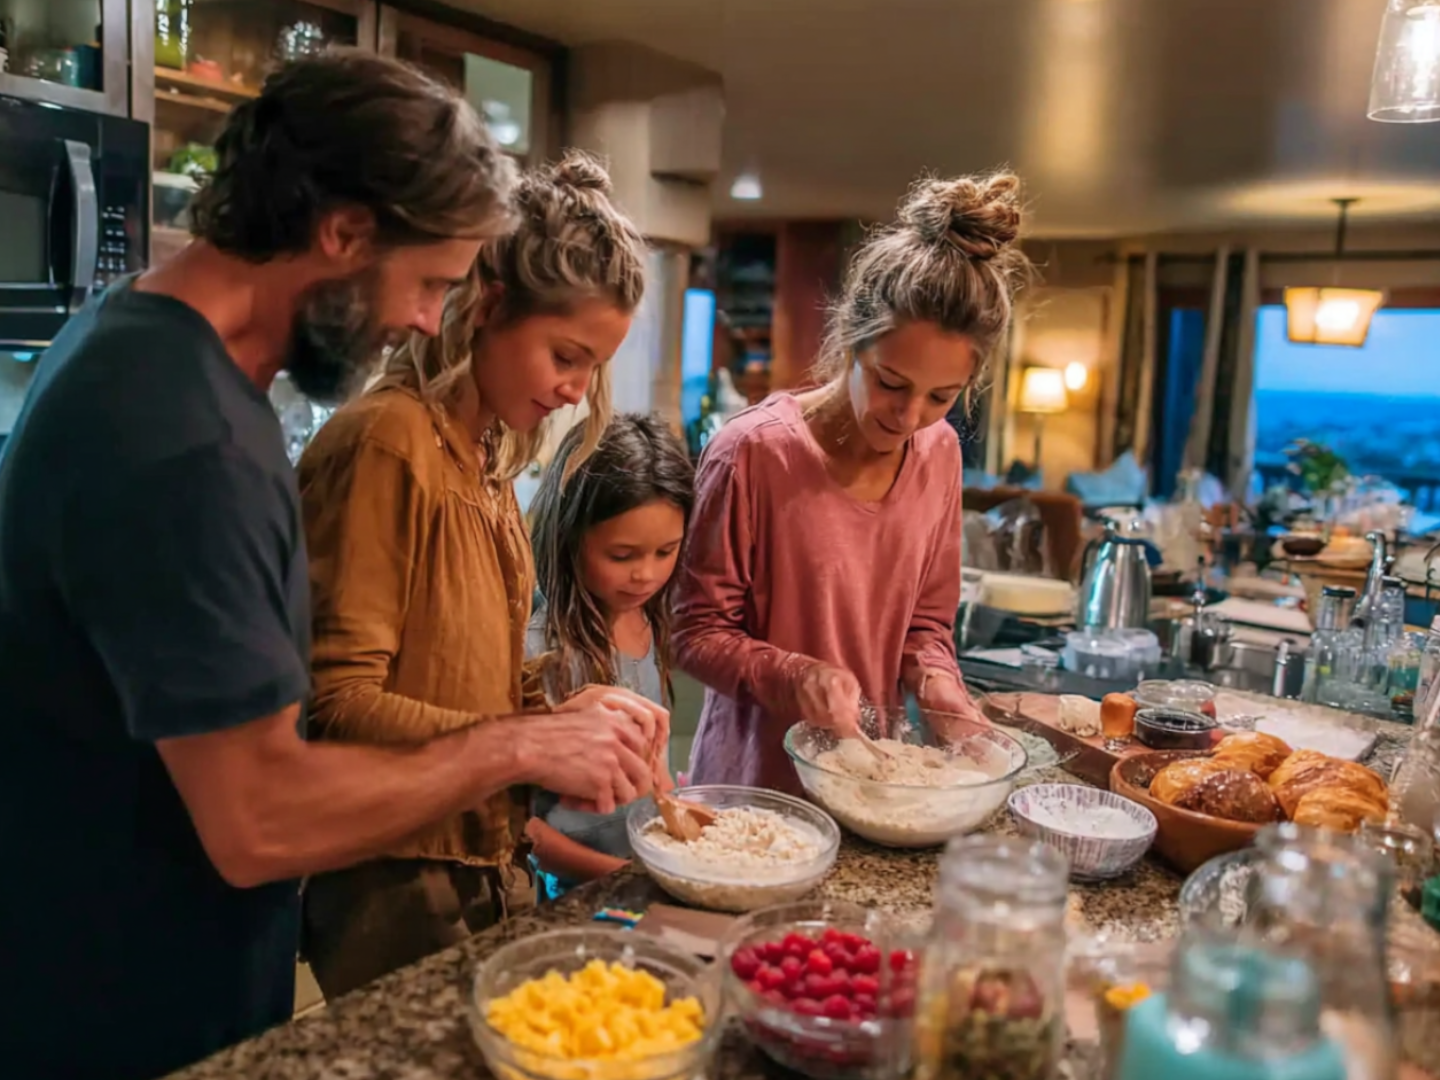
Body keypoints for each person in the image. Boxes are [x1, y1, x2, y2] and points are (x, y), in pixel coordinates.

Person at [0, 54, 658, 1080]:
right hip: (120, 1015)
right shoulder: (180, 438)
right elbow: (257, 820)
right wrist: (510, 750)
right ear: (344, 233)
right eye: (432, 282)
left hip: (152, 982)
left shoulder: (152, 357)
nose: (430, 321)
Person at [297, 151, 654, 998]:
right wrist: (532, 741)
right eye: (566, 355)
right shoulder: (388, 443)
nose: (575, 391)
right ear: (487, 305)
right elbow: (337, 703)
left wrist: (560, 710)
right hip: (390, 873)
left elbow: (467, 691)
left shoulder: (486, 459)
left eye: (593, 369)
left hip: (482, 860)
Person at [673, 170, 1031, 794]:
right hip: (753, 790)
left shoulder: (940, 453)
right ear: (849, 343)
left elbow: (926, 626)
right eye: (891, 382)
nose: (909, 415)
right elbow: (695, 633)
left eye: (941, 396)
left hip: (872, 785)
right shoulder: (752, 453)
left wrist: (939, 686)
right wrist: (790, 674)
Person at [524, 414, 697, 897]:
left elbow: (650, 761)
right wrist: (613, 875)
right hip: (569, 891)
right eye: (622, 556)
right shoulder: (538, 649)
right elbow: (522, 830)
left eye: (666, 552)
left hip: (639, 869)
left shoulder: (646, 619)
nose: (646, 575)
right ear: (570, 537)